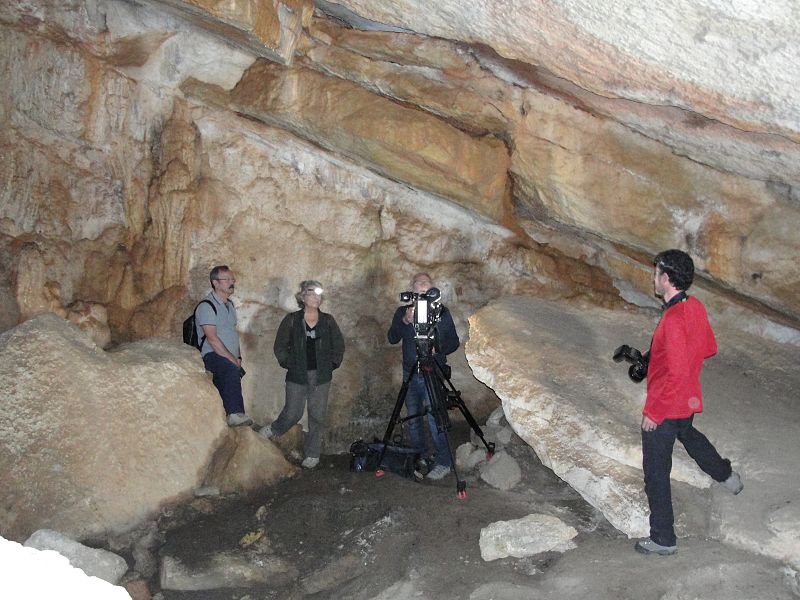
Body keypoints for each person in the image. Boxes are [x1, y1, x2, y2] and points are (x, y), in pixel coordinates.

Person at [635, 249, 743, 556]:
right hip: (686, 399)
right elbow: (708, 346)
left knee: (656, 471)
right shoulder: (693, 305)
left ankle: (663, 539)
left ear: (666, 279)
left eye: (656, 273)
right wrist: (657, 355)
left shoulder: (672, 319)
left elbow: (677, 372)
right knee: (691, 437)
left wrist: (655, 412)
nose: (654, 278)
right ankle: (728, 477)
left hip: (667, 404)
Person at [260, 280, 345, 469]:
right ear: (302, 296)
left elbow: (338, 345)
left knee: (317, 415)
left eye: (319, 293)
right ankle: (274, 429)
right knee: (293, 412)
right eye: (311, 292)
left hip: (321, 376)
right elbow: (280, 346)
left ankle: (313, 453)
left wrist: (332, 364)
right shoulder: (292, 320)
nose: (316, 297)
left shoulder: (328, 321)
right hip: (297, 375)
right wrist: (288, 363)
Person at [387, 272, 460, 481]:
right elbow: (392, 338)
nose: (422, 286)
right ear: (412, 288)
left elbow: (453, 343)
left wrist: (438, 347)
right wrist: (405, 320)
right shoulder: (403, 312)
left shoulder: (441, 312)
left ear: (432, 288)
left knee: (435, 417)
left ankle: (444, 462)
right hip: (411, 371)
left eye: (426, 283)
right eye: (418, 283)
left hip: (432, 371)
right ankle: (419, 456)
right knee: (414, 418)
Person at [196, 265, 253, 427]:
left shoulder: (230, 306)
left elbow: (232, 334)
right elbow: (212, 339)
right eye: (227, 279)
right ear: (215, 283)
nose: (231, 282)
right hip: (211, 355)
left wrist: (239, 357)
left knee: (230, 371)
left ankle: (226, 414)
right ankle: (234, 413)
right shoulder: (207, 306)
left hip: (227, 356)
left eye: (232, 279)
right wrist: (232, 360)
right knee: (229, 368)